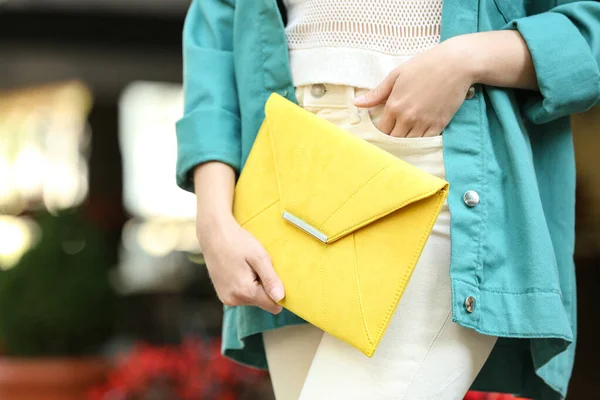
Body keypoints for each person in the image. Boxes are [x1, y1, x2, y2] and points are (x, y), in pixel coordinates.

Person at [175, 1, 600, 399]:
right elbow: (217, 24)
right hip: (289, 165)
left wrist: (466, 58)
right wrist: (213, 216)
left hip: (439, 158)